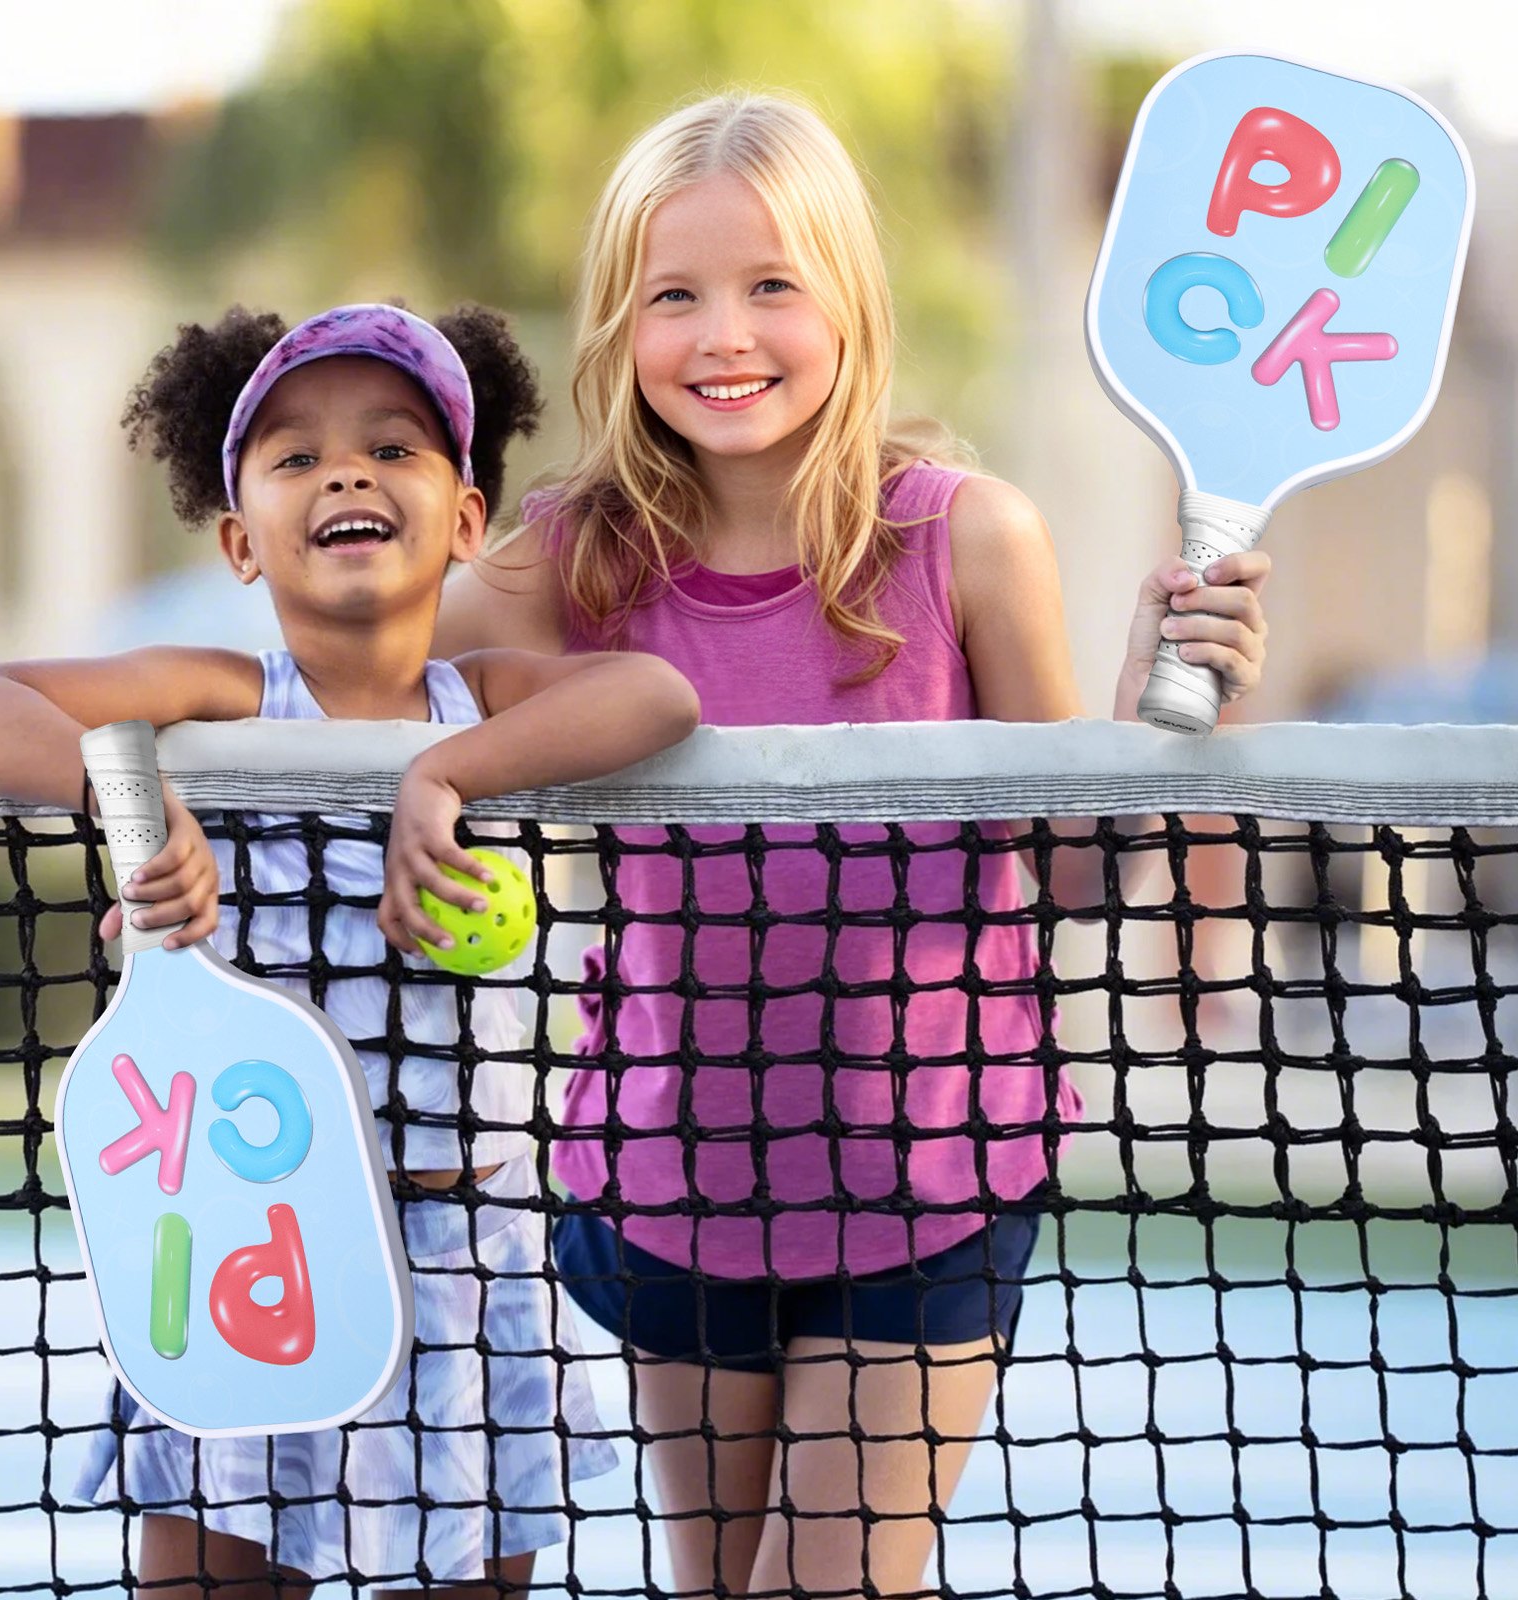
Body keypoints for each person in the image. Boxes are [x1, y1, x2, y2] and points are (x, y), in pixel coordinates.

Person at [431, 94, 1271, 1599]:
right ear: (619, 326)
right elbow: (341, 703)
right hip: (671, 1181)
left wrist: (1157, 709)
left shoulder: (973, 537)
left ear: (846, 300)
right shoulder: (559, 561)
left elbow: (1063, 868)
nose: (722, 334)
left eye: (770, 285)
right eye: (672, 296)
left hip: (930, 1181)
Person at [0, 302, 701, 1600]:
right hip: (240, 1250)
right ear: (239, 541)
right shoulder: (224, 691)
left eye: (392, 448)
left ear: (462, 520)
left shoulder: (490, 699)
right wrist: (134, 805)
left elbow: (659, 699)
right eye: (295, 459)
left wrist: (441, 776)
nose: (345, 472)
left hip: (460, 1268)